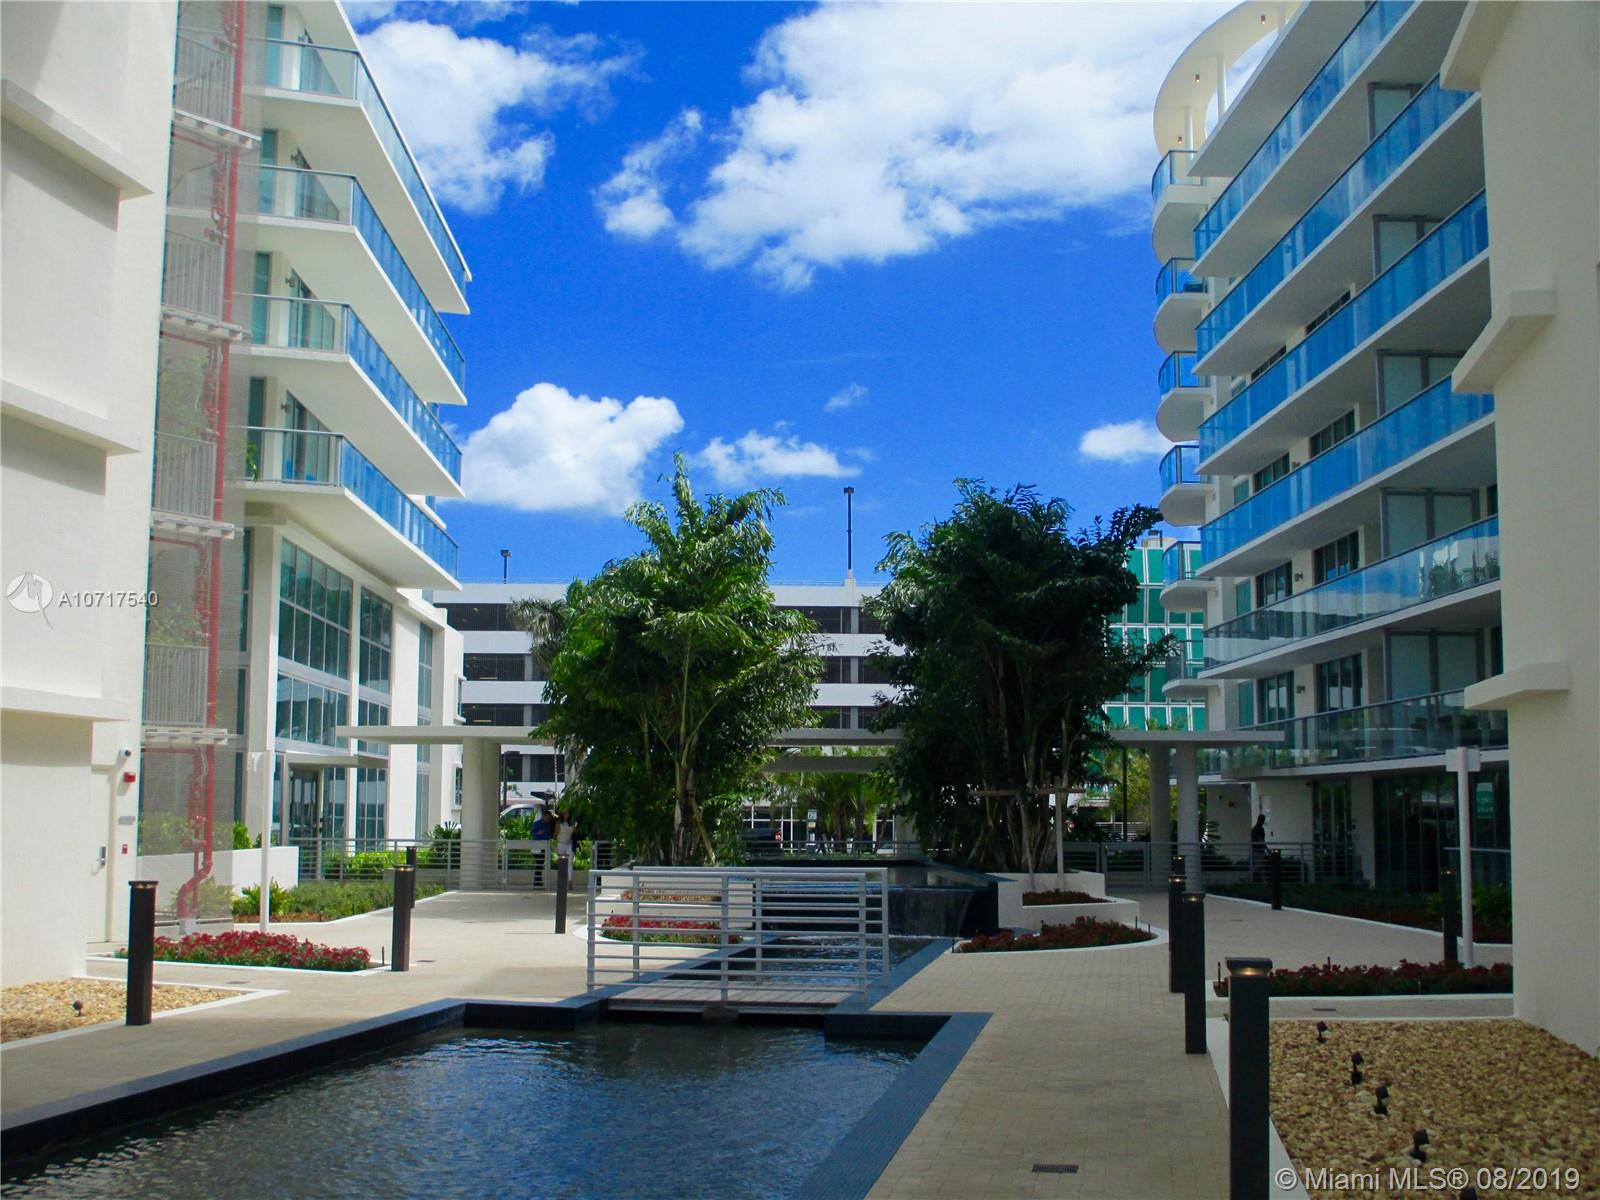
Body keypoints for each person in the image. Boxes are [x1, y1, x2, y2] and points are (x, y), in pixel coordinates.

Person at [1250, 812, 1267, 878]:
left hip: (1255, 849)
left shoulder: (1255, 828)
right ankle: (1247, 877)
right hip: (1258, 850)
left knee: (1261, 866)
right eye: (1263, 820)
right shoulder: (1259, 828)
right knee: (1259, 865)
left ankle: (1265, 881)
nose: (1263, 822)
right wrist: (1267, 849)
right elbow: (1261, 840)